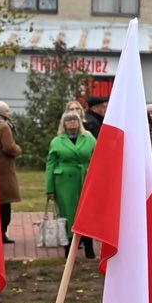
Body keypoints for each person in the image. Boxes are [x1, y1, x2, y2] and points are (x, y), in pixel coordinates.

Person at [45, 108, 97, 260]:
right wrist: (50, 188)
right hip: (64, 183)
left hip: (85, 178)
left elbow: (97, 158)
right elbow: (50, 165)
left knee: (87, 213)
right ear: (64, 124)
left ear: (79, 122)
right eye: (68, 120)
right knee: (67, 215)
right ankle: (68, 249)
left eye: (75, 120)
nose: (72, 123)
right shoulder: (57, 141)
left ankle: (89, 247)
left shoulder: (89, 138)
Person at [0, 101, 21, 243]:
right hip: (4, 169)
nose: (9, 113)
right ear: (1, 113)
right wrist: (18, 149)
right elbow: (9, 147)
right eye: (7, 110)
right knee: (5, 204)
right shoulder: (3, 127)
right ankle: (2, 233)